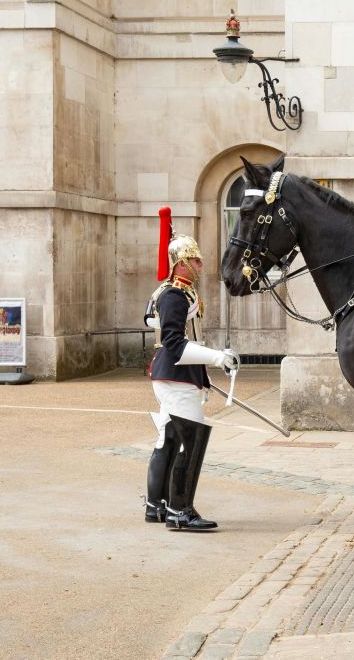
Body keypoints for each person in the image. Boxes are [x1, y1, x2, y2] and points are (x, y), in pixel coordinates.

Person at [143, 207, 238, 531]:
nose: (200, 264)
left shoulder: (179, 293)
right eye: (195, 260)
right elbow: (174, 341)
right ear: (181, 262)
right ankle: (180, 511)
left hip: (176, 376)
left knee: (168, 439)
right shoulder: (174, 295)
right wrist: (216, 358)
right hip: (175, 376)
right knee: (189, 442)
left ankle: (157, 505)